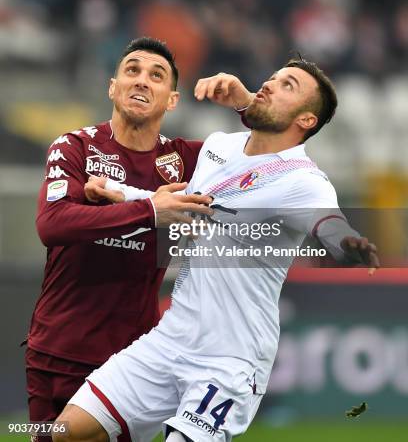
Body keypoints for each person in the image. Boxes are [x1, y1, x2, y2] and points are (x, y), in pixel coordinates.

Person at [52, 58, 379, 442]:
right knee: (64, 432)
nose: (270, 84)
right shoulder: (219, 147)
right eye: (272, 78)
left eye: (288, 85)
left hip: (229, 361)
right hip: (171, 339)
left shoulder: (305, 181)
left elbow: (329, 224)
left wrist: (346, 243)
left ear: (306, 120)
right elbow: (190, 205)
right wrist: (119, 193)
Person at [26, 37, 250, 438]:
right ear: (113, 87)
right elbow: (52, 224)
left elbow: (270, 157)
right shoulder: (76, 147)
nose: (142, 81)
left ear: (172, 100)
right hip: (59, 352)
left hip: (138, 363)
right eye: (132, 70)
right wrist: (150, 211)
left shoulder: (189, 159)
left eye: (156, 75)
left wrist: (246, 105)